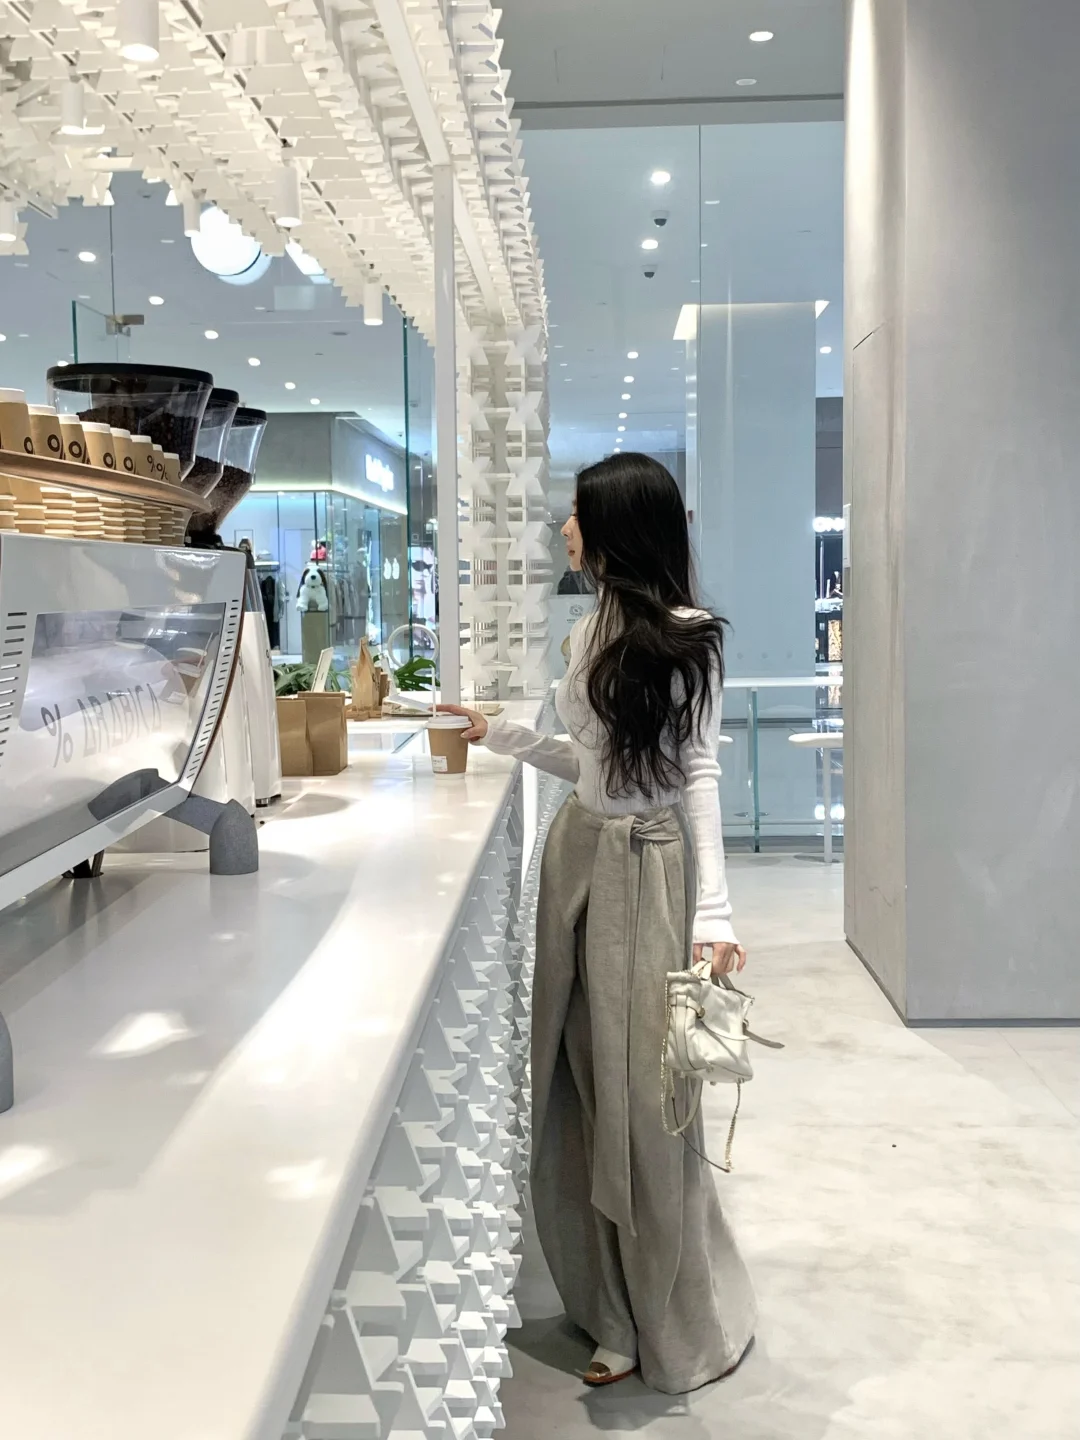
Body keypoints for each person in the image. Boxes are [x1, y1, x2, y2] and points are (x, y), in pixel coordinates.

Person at [441, 452, 756, 1394]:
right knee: (574, 1078)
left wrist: (714, 912)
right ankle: (607, 1305)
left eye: (575, 514)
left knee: (646, 1098)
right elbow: (591, 766)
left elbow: (696, 774)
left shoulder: (689, 638)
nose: (563, 529)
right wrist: (499, 735)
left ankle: (667, 1314)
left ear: (614, 527)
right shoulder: (584, 635)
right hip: (577, 856)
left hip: (649, 868)